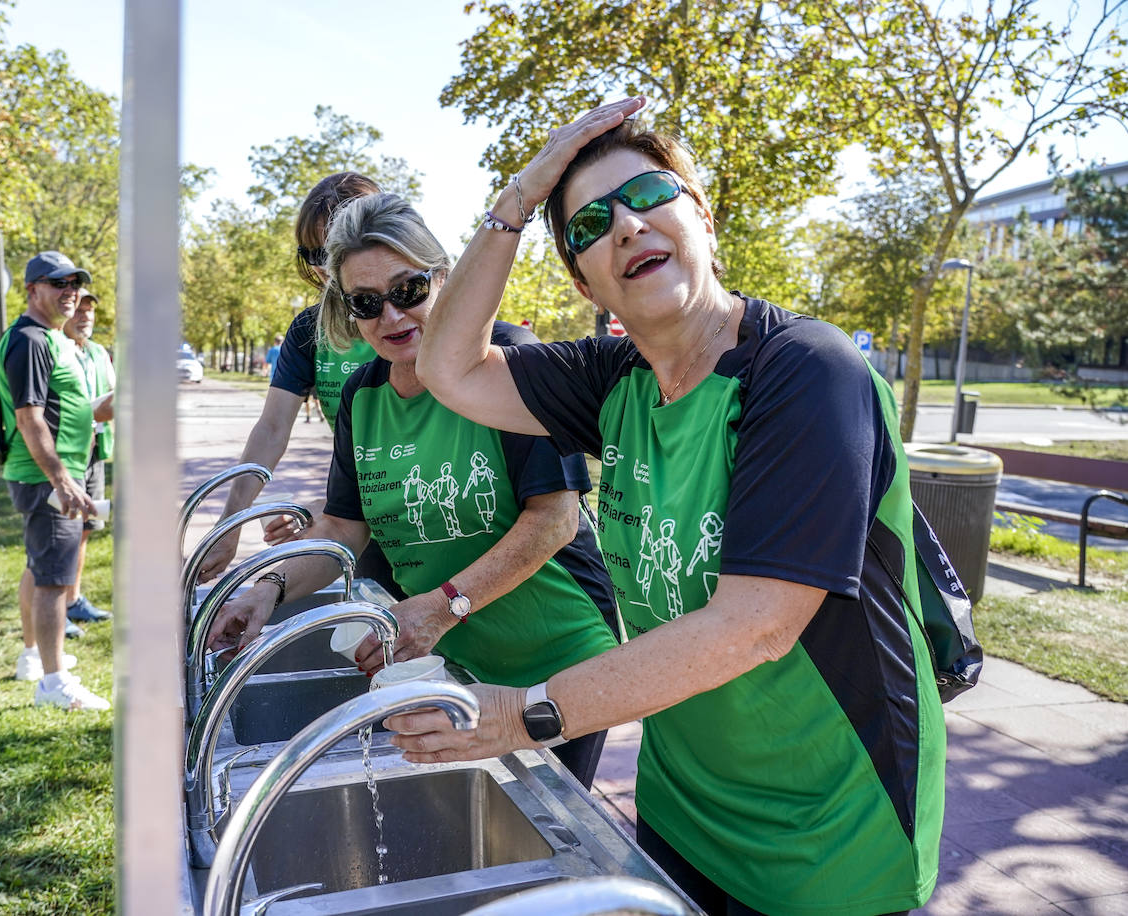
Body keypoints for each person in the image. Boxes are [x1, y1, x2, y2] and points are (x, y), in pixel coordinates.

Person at [396, 98, 945, 915]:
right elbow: (450, 367)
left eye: (649, 195)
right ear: (586, 282)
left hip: (829, 832)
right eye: (588, 227)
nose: (624, 226)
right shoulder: (612, 380)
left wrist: (523, 715)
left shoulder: (804, 371)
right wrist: (519, 198)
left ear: (705, 218)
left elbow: (754, 625)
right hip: (683, 807)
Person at [209, 193, 621, 788]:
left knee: (554, 826)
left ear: (445, 277)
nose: (393, 318)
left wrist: (438, 606)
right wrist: (267, 590)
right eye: (367, 304)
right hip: (450, 659)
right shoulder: (363, 394)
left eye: (408, 291)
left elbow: (554, 520)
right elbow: (344, 529)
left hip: (557, 661)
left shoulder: (512, 364)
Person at [195, 172, 401, 599]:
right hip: (367, 527)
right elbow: (271, 429)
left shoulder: (415, 319)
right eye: (313, 255)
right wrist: (230, 522)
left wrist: (326, 508)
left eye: (335, 250)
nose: (324, 269)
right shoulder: (310, 330)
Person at [0, 250, 111, 711]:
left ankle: (35, 656)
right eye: (59, 283)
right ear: (32, 290)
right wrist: (62, 480)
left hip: (53, 474)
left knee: (40, 566)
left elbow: (71, 410)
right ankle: (54, 682)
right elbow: (29, 418)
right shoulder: (31, 340)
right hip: (48, 477)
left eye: (76, 284)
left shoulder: (47, 337)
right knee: (53, 579)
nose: (71, 292)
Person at [61, 288, 115, 626]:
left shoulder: (98, 353)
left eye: (90, 311)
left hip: (95, 452)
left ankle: (73, 599)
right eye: (79, 310)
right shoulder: (58, 350)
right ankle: (55, 609)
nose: (85, 317)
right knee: (62, 533)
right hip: (68, 455)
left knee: (84, 529)